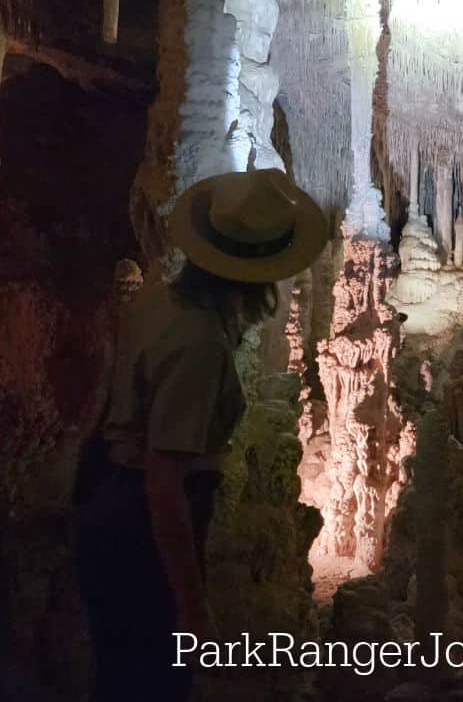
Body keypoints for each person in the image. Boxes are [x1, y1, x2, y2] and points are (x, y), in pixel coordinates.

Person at [76, 168, 327, 702]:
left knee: (116, 672)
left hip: (103, 493)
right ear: (256, 275)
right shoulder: (201, 344)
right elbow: (163, 482)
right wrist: (191, 604)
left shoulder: (157, 300)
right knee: (151, 680)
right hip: (140, 527)